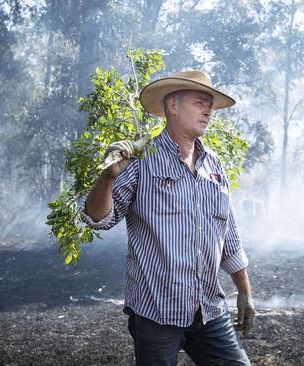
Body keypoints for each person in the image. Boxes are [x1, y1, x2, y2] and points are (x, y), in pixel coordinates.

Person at [80, 70, 254, 365]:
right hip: (157, 313)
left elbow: (228, 235)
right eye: (201, 102)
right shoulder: (141, 160)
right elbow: (98, 218)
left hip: (209, 309)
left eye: (210, 104)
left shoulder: (213, 165)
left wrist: (245, 292)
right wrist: (107, 178)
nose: (208, 110)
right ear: (172, 106)